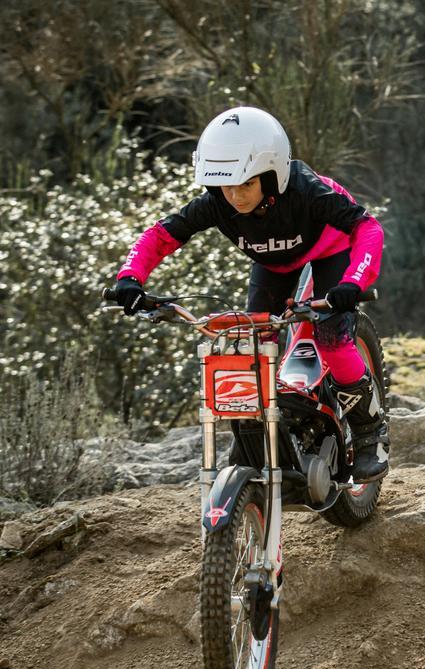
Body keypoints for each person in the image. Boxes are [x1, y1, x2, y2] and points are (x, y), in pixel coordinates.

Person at [113, 106, 389, 482]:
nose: (235, 196)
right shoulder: (217, 202)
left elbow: (367, 227)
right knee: (250, 349)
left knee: (332, 341)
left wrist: (354, 283)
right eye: (225, 186)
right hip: (273, 265)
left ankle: (371, 433)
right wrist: (130, 279)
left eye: (246, 184)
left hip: (331, 249)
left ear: (272, 175)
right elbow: (161, 235)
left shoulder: (308, 190)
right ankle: (254, 439)